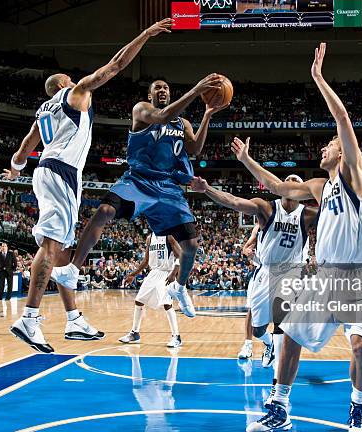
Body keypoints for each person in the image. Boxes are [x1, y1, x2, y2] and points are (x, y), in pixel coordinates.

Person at [235, 43, 362, 432]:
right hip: (325, 276)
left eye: (329, 145)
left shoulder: (353, 176)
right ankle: (278, 407)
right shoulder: (318, 187)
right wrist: (248, 161)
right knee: (290, 335)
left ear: (342, 152)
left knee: (359, 348)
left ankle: (357, 409)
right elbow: (275, 186)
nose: (324, 147)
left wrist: (318, 78)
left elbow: (342, 118)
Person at [3, 18, 173, 353]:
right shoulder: (75, 93)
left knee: (64, 252)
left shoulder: (43, 113)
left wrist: (14, 169)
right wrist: (146, 34)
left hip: (48, 170)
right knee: (51, 247)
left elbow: (23, 149)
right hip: (61, 173)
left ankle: (73, 319)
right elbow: (116, 64)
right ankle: (30, 318)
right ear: (65, 84)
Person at [51, 75, 229, 318]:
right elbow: (162, 116)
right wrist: (196, 89)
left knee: (191, 245)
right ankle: (73, 269)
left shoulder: (183, 123)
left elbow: (195, 149)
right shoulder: (141, 109)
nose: (163, 90)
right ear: (150, 95)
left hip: (168, 187)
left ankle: (180, 287)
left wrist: (207, 114)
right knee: (104, 211)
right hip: (139, 180)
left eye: (166, 87)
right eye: (158, 87)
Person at [190, 174, 316, 406]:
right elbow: (233, 201)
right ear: (281, 186)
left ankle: (278, 387)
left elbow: (338, 218)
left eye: (296, 181)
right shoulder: (265, 208)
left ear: (301, 189)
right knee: (258, 330)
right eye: (286, 179)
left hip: (291, 275)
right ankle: (266, 344)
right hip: (264, 272)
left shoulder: (308, 214)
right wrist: (207, 188)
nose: (290, 182)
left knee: (283, 328)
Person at [118, 232, 182, 348]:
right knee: (138, 300)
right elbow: (146, 261)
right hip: (153, 272)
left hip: (166, 273)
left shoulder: (169, 236)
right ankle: (135, 333)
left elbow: (180, 256)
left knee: (167, 304)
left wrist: (173, 273)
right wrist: (133, 274)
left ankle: (176, 336)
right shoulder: (150, 238)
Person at [238, 224, 260, 360]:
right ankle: (247, 345)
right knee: (251, 310)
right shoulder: (258, 227)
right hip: (262, 271)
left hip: (283, 272)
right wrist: (247, 251)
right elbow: (246, 248)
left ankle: (275, 344)